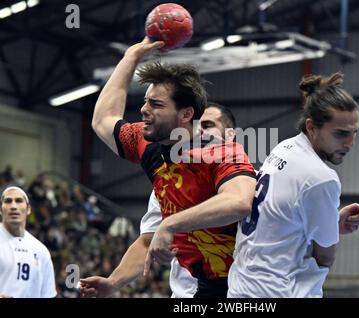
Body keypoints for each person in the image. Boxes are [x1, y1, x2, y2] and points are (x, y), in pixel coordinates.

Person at [83, 36, 256, 298]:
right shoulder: (147, 142)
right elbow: (104, 120)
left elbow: (240, 201)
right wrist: (131, 58)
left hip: (246, 285)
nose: (143, 110)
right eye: (145, 101)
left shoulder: (221, 151)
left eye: (156, 104)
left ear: (186, 115)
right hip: (205, 284)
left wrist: (170, 225)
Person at [227, 72, 359, 298]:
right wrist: (328, 231)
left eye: (354, 133)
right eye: (341, 134)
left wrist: (330, 221)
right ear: (312, 127)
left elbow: (279, 218)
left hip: (243, 285)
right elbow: (325, 257)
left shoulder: (284, 148)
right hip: (278, 290)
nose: (350, 143)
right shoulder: (321, 177)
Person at [80, 103, 238, 298]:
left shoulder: (249, 185)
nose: (200, 132)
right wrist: (113, 282)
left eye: (207, 125)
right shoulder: (167, 184)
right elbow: (147, 243)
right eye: (196, 126)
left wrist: (170, 224)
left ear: (230, 136)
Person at [0, 186, 57, 298]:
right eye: (8, 201)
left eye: (19, 201)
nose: (13, 206)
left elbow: (47, 295)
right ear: (1, 210)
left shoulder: (41, 251)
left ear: (28, 209)